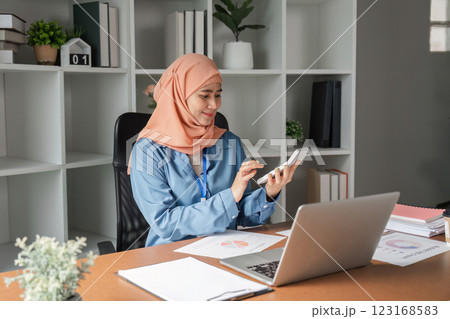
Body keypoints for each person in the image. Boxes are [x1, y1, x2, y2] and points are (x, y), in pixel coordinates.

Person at [129, 53, 299, 247]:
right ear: (179, 96)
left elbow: (241, 213)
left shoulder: (229, 142)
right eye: (205, 95)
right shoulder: (148, 151)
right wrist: (230, 196)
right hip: (171, 257)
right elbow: (165, 224)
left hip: (226, 250)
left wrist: (269, 192)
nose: (215, 104)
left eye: (218, 94)